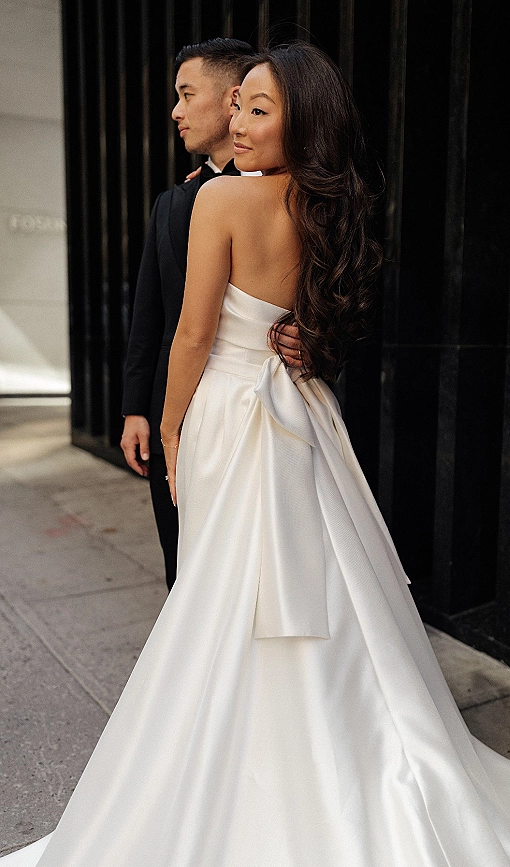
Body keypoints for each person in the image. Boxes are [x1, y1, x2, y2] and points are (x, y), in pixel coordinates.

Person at [2, 41, 510, 867]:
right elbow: (314, 316)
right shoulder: (318, 204)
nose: (237, 119)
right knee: (319, 582)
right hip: (301, 415)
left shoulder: (222, 202)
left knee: (225, 592)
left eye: (258, 108)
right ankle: (330, 750)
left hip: (232, 417)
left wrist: (169, 427)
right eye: (238, 105)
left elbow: (196, 333)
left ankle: (241, 765)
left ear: (299, 122)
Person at [120, 38, 302, 590]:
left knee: (267, 573)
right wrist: (137, 409)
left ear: (232, 100)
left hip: (267, 408)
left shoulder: (303, 197)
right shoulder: (176, 202)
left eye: (185, 94)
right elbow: (150, 312)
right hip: (172, 404)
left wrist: (317, 334)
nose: (175, 111)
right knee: (188, 572)